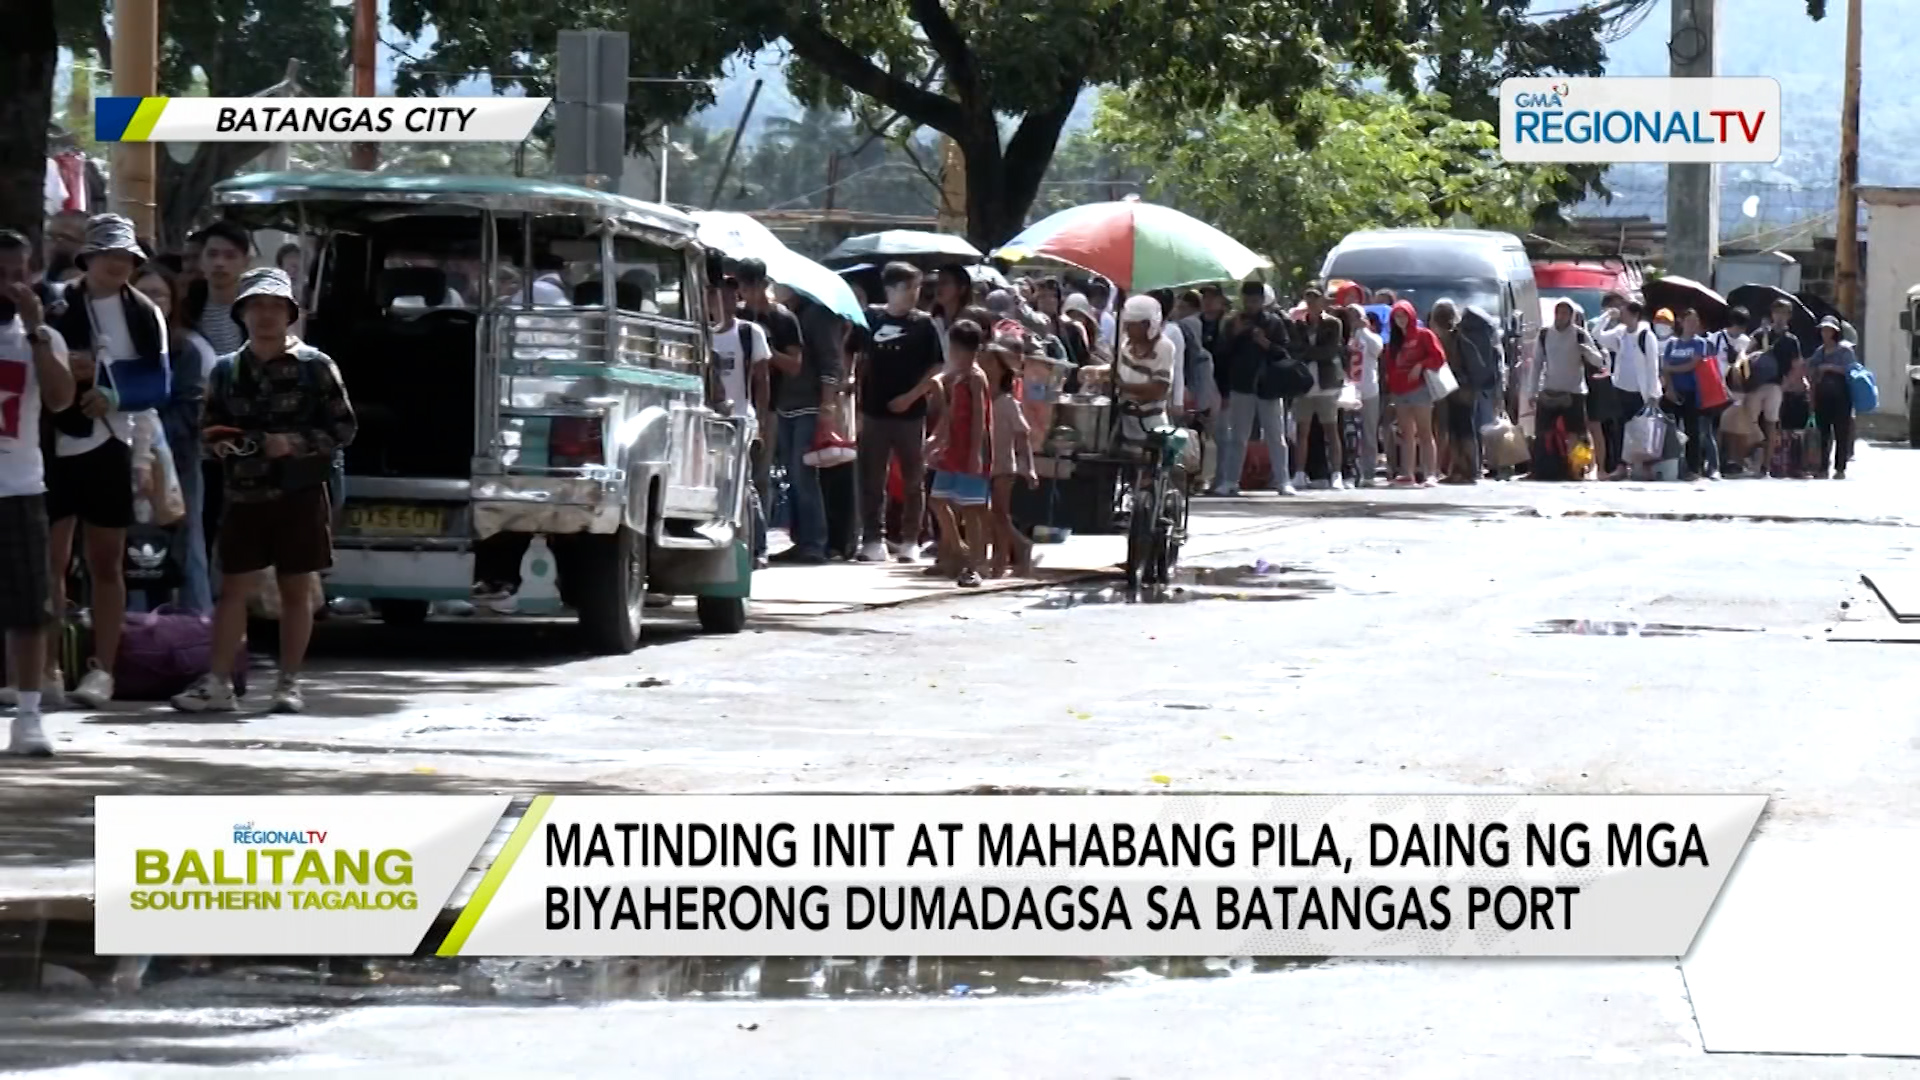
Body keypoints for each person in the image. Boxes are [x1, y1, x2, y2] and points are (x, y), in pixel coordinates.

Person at [172, 268, 355, 714]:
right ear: (243, 313)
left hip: (300, 493)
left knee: (296, 591)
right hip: (243, 494)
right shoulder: (225, 370)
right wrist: (226, 443)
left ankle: (288, 683)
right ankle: (218, 682)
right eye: (257, 306)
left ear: (290, 313)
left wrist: (291, 443)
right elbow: (207, 430)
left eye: (276, 307)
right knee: (233, 590)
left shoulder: (316, 366)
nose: (267, 315)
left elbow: (344, 428)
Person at [44, 215, 175, 707]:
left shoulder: (144, 312)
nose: (117, 264)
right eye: (107, 255)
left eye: (125, 257)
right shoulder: (53, 300)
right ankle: (48, 665)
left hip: (112, 443)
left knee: (106, 561)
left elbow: (157, 384)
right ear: (87, 258)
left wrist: (109, 392)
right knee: (51, 561)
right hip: (53, 441)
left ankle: (103, 667)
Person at [0, 230, 78, 753]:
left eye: (19, 271)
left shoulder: (42, 336)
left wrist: (35, 331)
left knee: (30, 606)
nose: (11, 282)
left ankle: (28, 717)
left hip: (18, 485)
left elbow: (60, 400)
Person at [133, 262, 213, 611]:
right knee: (129, 548)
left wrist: (148, 434)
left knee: (188, 545)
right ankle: (129, 631)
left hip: (175, 462)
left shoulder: (186, 351)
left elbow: (189, 411)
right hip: (121, 461)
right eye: (143, 294)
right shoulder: (113, 345)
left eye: (159, 295)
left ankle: (198, 628)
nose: (151, 302)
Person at [856, 263, 942, 564]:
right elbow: (858, 359)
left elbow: (936, 367)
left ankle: (910, 539)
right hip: (874, 410)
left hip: (911, 413)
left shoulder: (925, 324)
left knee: (912, 478)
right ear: (890, 289)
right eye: (907, 287)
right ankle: (871, 538)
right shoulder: (870, 319)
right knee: (871, 478)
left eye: (917, 288)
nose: (913, 294)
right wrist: (853, 401)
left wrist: (911, 397)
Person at [768, 279, 846, 565]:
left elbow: (831, 362)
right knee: (792, 475)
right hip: (786, 404)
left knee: (804, 476)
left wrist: (827, 404)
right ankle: (801, 540)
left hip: (810, 405)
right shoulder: (785, 315)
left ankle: (814, 542)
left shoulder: (818, 315)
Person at [732, 259, 803, 564]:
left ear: (763, 284)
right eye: (742, 285)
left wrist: (765, 350)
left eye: (752, 284)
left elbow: (795, 365)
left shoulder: (784, 319)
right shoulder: (734, 318)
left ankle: (758, 541)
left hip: (771, 406)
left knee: (761, 477)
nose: (747, 292)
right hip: (735, 403)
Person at [1211, 281, 1296, 496]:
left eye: (1255, 301)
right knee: (1237, 436)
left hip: (1269, 386)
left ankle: (1283, 480)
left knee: (1276, 436)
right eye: (1247, 301)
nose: (1251, 305)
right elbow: (1221, 354)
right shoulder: (1233, 322)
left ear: (1262, 301)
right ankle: (1231, 481)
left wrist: (1265, 343)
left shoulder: (1274, 322)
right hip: (1241, 385)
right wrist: (1236, 335)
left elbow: (1285, 353)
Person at [708, 271, 771, 557]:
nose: (724, 301)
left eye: (730, 295)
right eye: (718, 294)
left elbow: (762, 380)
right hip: (707, 420)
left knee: (743, 483)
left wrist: (762, 423)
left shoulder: (749, 333)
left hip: (742, 419)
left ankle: (756, 547)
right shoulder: (701, 335)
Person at [926, 320, 992, 588]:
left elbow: (980, 418)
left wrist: (976, 452)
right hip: (952, 449)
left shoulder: (976, 378)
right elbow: (951, 414)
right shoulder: (958, 378)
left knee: (973, 509)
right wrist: (936, 439)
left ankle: (974, 565)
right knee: (938, 500)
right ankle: (958, 549)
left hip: (971, 450)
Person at [1533, 299, 1606, 479]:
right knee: (1543, 432)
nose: (1561, 317)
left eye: (1565, 313)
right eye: (1559, 313)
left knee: (1576, 434)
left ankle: (1576, 470)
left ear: (1571, 316)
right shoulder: (1544, 334)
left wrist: (1586, 351)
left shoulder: (1580, 335)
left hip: (1574, 392)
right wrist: (1532, 390)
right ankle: (1542, 469)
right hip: (1550, 390)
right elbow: (1536, 364)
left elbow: (1598, 361)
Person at [985, 336, 1037, 578]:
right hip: (984, 464)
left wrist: (1029, 466)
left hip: (1004, 466)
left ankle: (1010, 553)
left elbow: (1022, 434)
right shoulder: (984, 399)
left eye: (991, 364)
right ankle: (1004, 555)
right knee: (989, 513)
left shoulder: (1008, 403)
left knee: (1000, 514)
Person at [1383, 299, 1446, 487]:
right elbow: (1390, 365)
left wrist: (1421, 364)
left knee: (1425, 432)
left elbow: (1438, 357)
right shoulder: (1394, 341)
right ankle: (1407, 473)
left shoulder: (1424, 335)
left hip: (1420, 389)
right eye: (1396, 317)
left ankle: (1430, 474)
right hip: (1400, 391)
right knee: (1406, 433)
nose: (1400, 320)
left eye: (1403, 316)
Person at [1596, 301, 1660, 481]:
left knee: (1643, 430)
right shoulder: (1620, 333)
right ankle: (1621, 466)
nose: (1621, 315)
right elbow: (1597, 335)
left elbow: (1653, 365)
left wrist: (1653, 393)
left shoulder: (1646, 335)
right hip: (1620, 388)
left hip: (1640, 391)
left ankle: (1646, 467)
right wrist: (1607, 316)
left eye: (1624, 313)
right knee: (1620, 429)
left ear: (1635, 315)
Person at [1738, 299, 1801, 478]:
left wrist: (1786, 384)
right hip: (1756, 384)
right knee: (1749, 422)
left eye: (1784, 313)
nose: (1780, 316)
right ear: (1772, 314)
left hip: (1776, 385)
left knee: (1771, 424)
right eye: (1777, 312)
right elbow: (1745, 353)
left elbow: (1796, 365)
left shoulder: (1791, 340)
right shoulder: (1761, 334)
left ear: (1789, 316)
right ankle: (1748, 458)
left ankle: (1766, 465)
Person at [1293, 287, 1347, 489]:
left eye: (1316, 299)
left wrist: (1309, 353)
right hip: (1305, 385)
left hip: (1327, 383)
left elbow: (1330, 351)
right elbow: (1296, 351)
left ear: (1323, 301)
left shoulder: (1333, 324)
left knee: (1331, 430)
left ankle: (1337, 473)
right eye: (1309, 300)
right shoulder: (1299, 325)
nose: (1312, 303)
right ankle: (1299, 473)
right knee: (1302, 431)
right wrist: (1310, 352)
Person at [1659, 308, 1717, 481]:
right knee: (1670, 429)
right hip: (1673, 391)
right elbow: (1665, 367)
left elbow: (1692, 364)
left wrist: (1671, 368)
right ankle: (1670, 465)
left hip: (1693, 391)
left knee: (1693, 431)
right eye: (1689, 321)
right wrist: (1669, 388)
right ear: (1681, 322)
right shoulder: (1672, 343)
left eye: (1695, 321)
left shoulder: (1699, 343)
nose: (1693, 325)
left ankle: (1694, 468)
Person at [1808, 315, 1857, 479]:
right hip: (1823, 396)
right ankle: (1822, 467)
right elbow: (1811, 370)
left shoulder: (1844, 350)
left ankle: (1840, 468)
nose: (1826, 333)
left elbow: (1850, 370)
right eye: (1823, 330)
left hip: (1842, 396)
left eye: (1829, 330)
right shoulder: (1819, 351)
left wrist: (1829, 367)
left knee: (1841, 432)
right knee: (1823, 433)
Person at [1343, 304, 1384, 486]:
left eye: (1357, 315)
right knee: (1349, 432)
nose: (1353, 319)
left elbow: (1377, 350)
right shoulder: (1344, 336)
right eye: (1350, 315)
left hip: (1369, 389)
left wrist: (1364, 330)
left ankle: (1368, 473)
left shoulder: (1371, 337)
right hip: (1348, 391)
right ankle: (1350, 471)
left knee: (1368, 432)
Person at [1712, 307, 1757, 475]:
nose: (1739, 330)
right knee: (1718, 427)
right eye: (1738, 326)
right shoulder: (1716, 338)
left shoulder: (1746, 341)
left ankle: (1733, 460)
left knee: (1733, 426)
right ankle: (1716, 461)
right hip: (1718, 386)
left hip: (1737, 389)